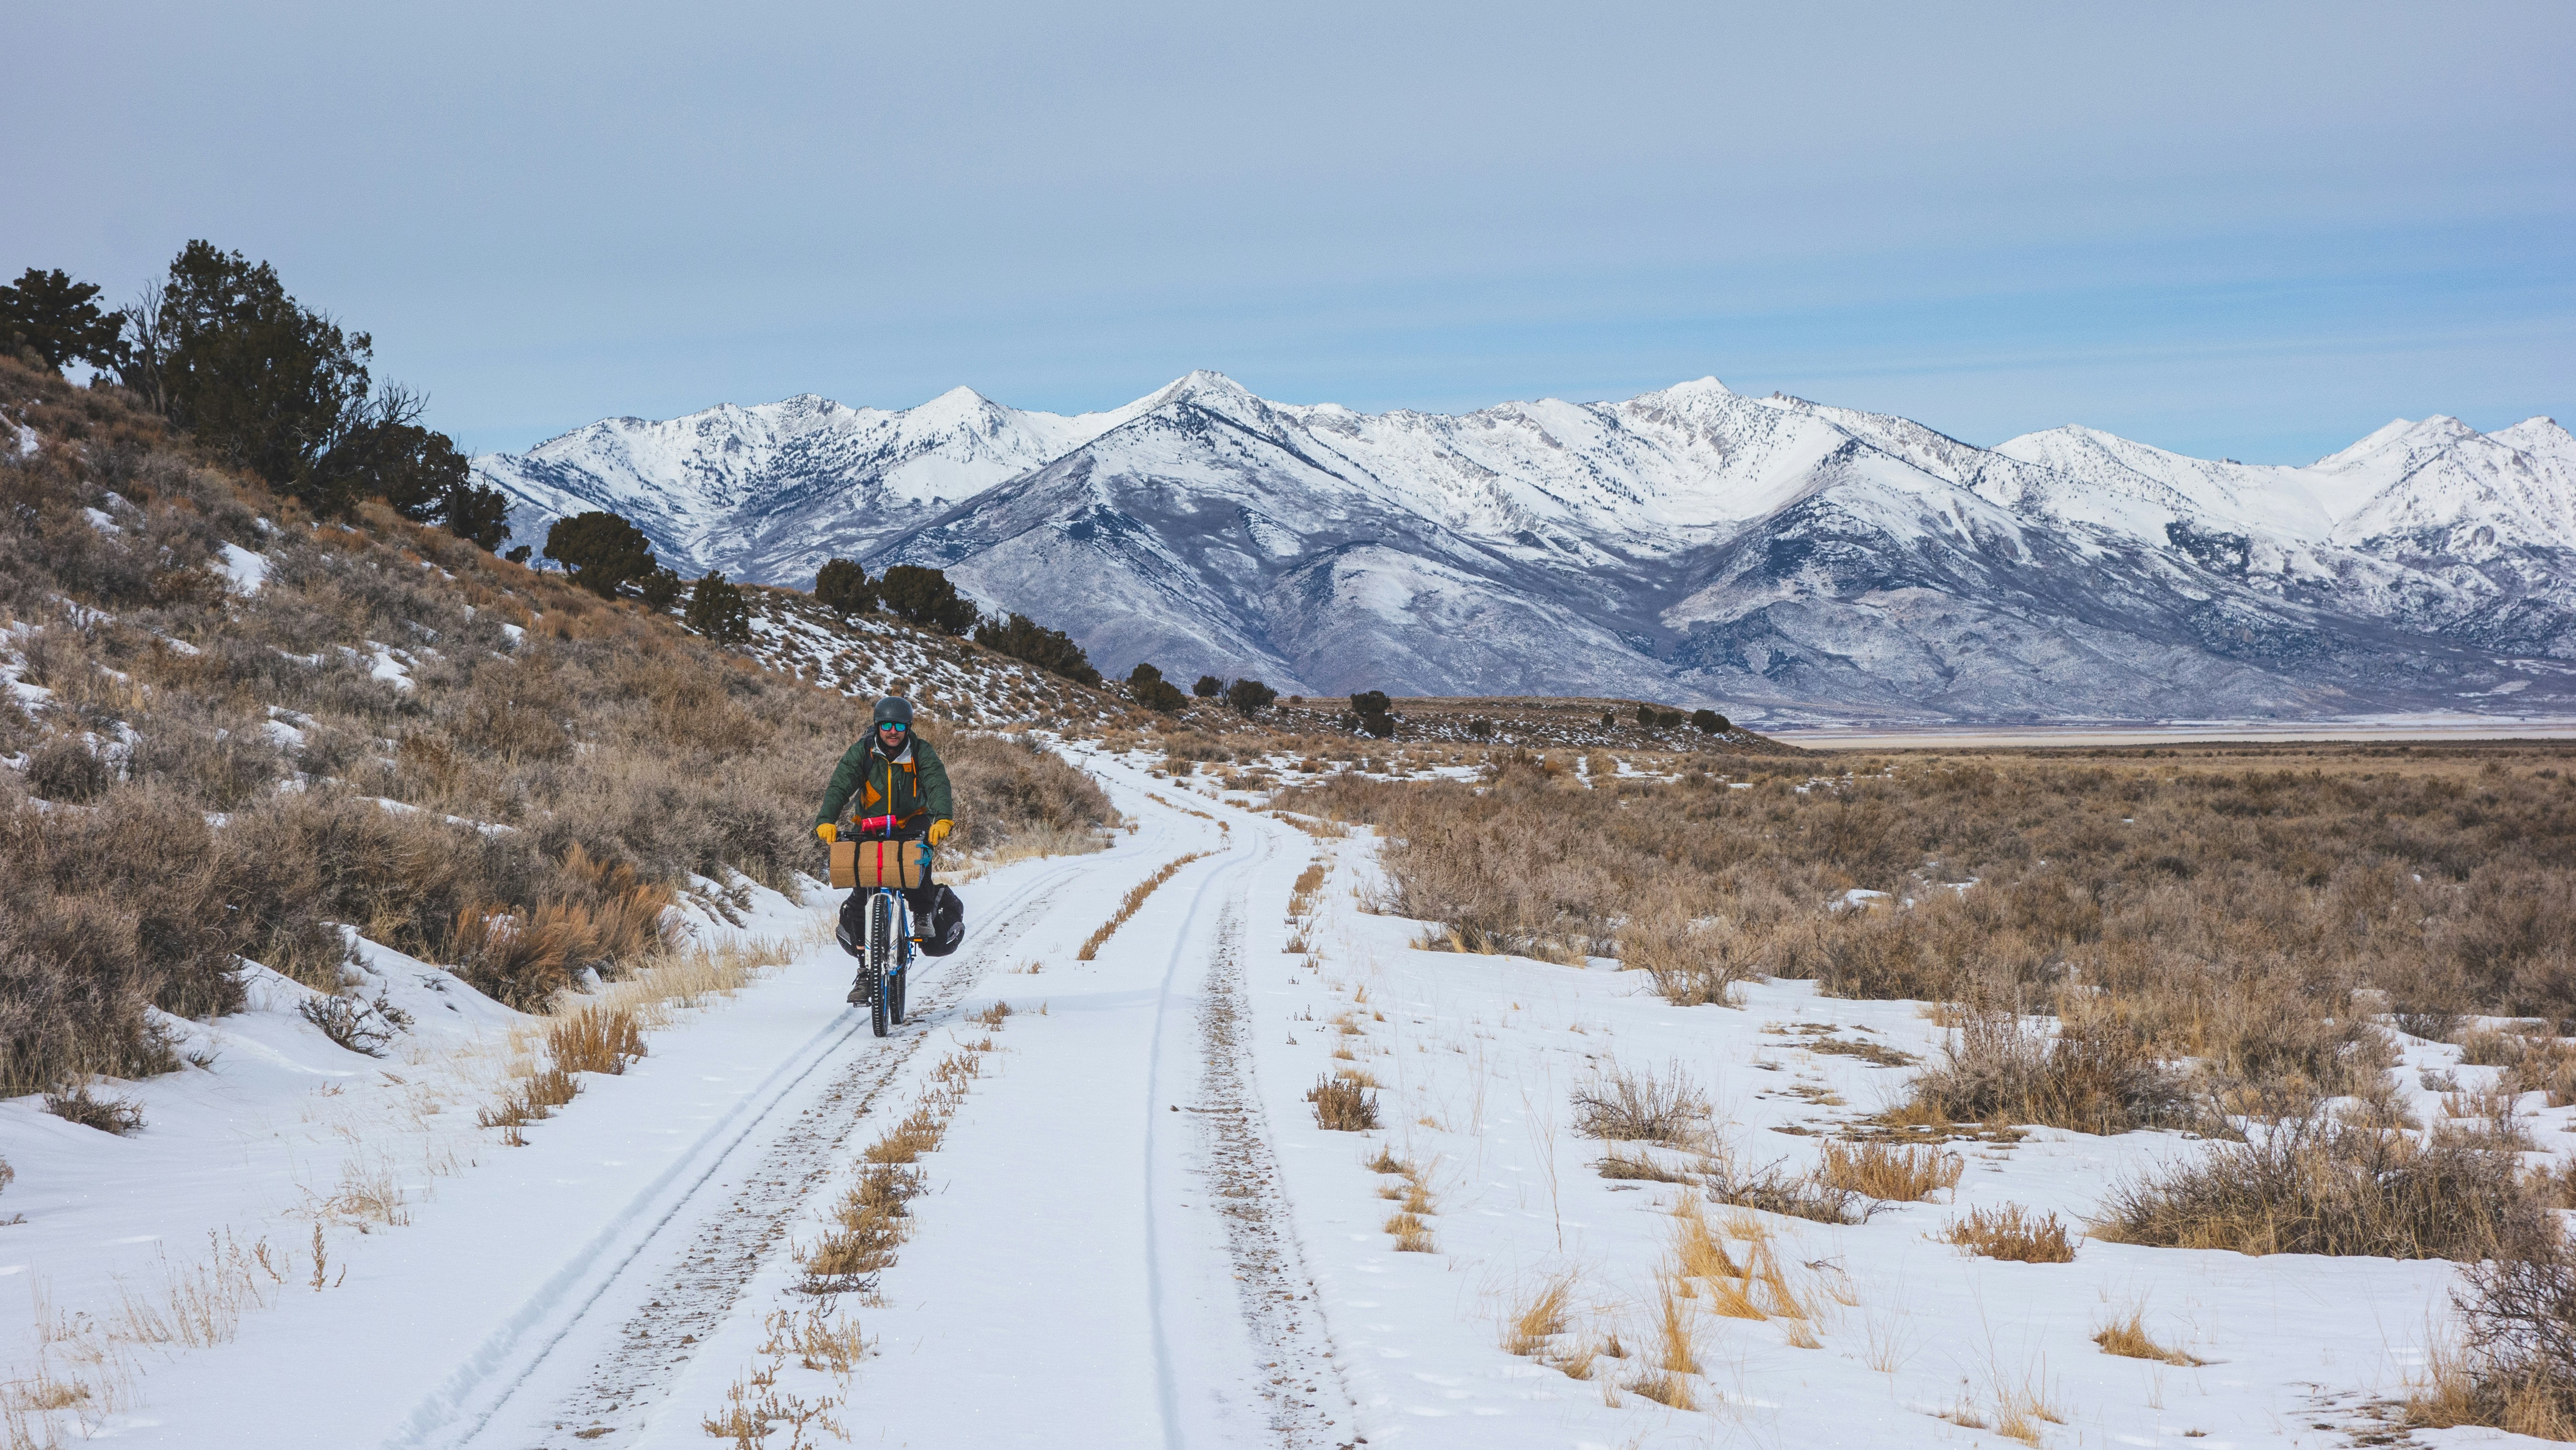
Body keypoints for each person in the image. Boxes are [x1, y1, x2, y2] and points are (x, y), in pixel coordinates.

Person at [813, 697, 955, 998]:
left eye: (900, 726)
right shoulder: (863, 752)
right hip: (870, 823)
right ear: (878, 726)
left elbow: (937, 782)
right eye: (887, 725)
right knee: (863, 886)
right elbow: (841, 783)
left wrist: (942, 818)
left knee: (917, 863)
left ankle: (922, 913)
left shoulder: (920, 751)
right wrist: (827, 819)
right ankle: (866, 971)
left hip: (912, 820)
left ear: (908, 727)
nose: (894, 732)